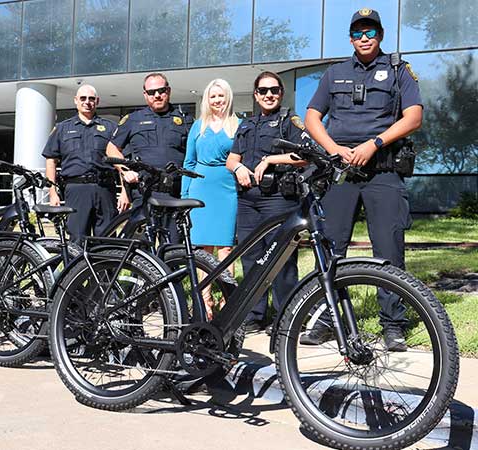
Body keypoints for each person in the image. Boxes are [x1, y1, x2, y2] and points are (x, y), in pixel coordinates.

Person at [303, 8, 423, 351]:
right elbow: (312, 116)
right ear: (351, 37)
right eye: (358, 32)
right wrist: (333, 148)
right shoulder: (335, 72)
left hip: (382, 170)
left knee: (388, 249)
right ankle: (330, 319)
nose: (364, 38)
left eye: (370, 32)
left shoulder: (398, 70)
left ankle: (393, 325)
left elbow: (414, 117)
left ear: (380, 35)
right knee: (331, 249)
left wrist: (374, 144)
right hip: (341, 173)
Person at [226, 71, 309, 333]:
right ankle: (254, 315)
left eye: (274, 90)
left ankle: (284, 318)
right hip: (248, 201)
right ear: (255, 95)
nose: (269, 95)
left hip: (278, 199)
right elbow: (231, 158)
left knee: (281, 260)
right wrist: (237, 168)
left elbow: (303, 155)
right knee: (251, 258)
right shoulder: (247, 124)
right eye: (263, 91)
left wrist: (271, 160)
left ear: (281, 93)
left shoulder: (289, 121)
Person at [106, 73, 194, 241]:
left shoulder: (184, 119)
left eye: (161, 90)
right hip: (144, 193)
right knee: (142, 250)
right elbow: (112, 148)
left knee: (173, 247)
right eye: (152, 92)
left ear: (168, 91)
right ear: (145, 94)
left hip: (174, 194)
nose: (157, 95)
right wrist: (125, 171)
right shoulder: (133, 119)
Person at [181, 79, 240, 319]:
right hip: (200, 187)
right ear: (207, 99)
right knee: (203, 249)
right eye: (213, 96)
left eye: (221, 95)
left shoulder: (238, 124)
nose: (217, 100)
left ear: (228, 97)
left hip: (227, 189)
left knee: (226, 248)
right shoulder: (198, 126)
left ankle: (229, 303)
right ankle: (204, 305)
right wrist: (185, 195)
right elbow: (189, 162)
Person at [42, 84, 124, 243]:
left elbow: (120, 160)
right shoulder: (62, 129)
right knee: (77, 240)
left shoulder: (111, 128)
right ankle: (77, 269)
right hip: (76, 189)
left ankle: (107, 269)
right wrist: (52, 192)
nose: (87, 102)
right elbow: (51, 160)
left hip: (105, 189)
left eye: (91, 98)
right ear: (76, 101)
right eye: (83, 98)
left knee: (107, 240)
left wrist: (125, 192)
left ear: (97, 101)